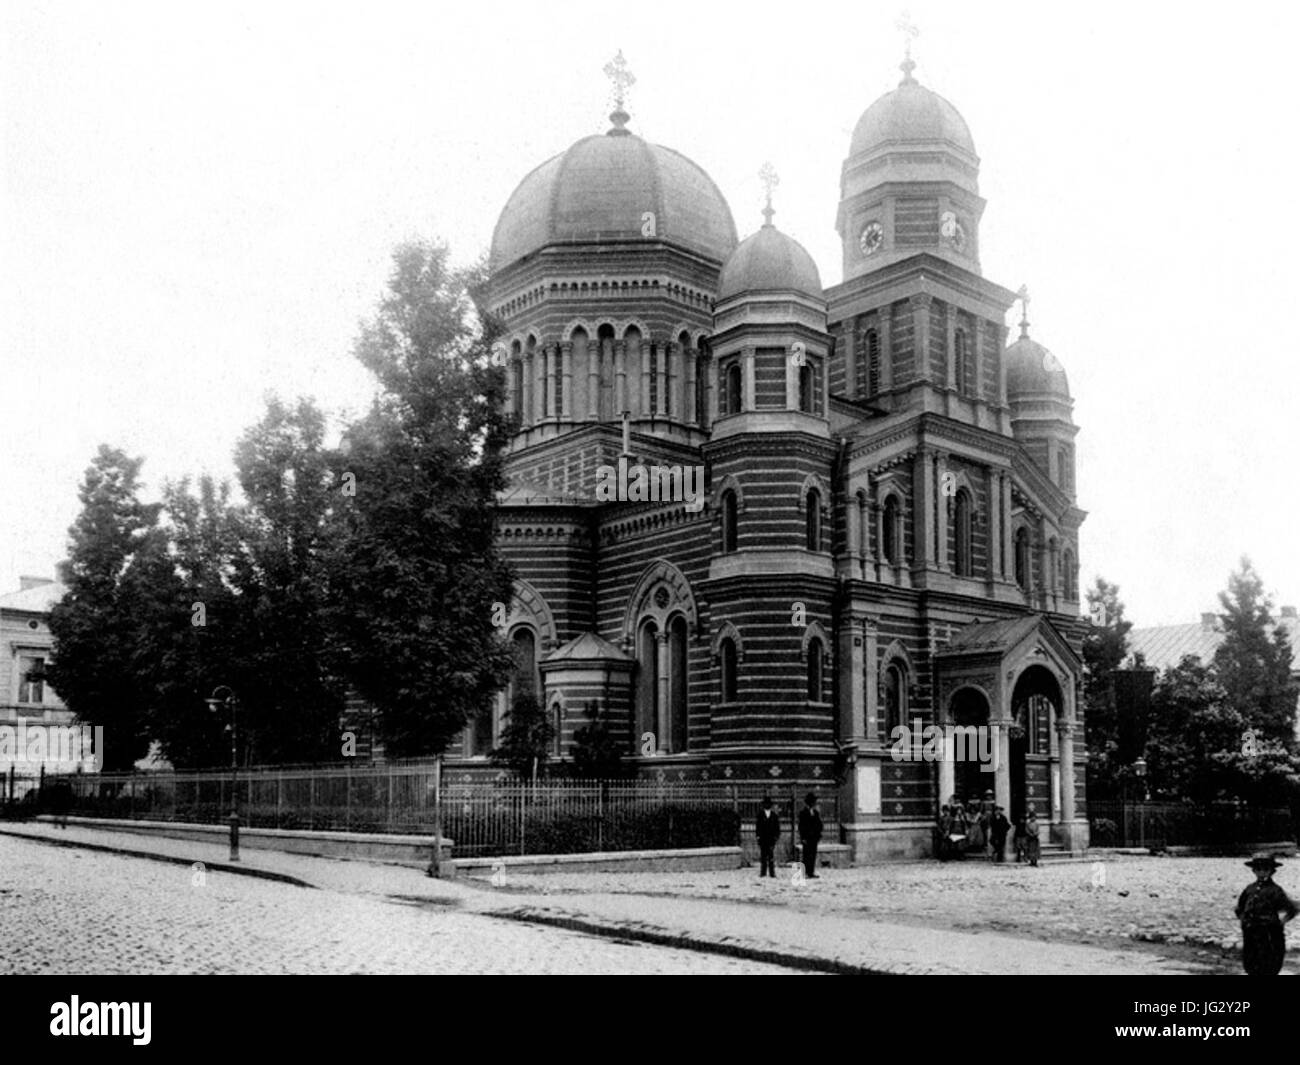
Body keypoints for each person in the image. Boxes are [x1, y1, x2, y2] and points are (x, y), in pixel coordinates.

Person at [1235, 854, 1296, 976]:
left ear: (1272, 871)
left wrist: (1280, 923)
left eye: (1265, 869)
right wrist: (1244, 921)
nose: (1261, 872)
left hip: (1269, 934)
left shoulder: (1276, 890)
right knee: (1250, 963)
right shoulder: (1249, 889)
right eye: (1258, 869)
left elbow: (1291, 910)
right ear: (1253, 870)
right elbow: (1239, 908)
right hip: (1251, 932)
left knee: (1268, 964)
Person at [797, 792, 823, 879]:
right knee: (806, 855)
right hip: (807, 838)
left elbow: (819, 824)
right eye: (812, 802)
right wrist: (803, 837)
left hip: (814, 838)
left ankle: (811, 872)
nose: (813, 804)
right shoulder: (803, 813)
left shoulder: (815, 812)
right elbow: (801, 826)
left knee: (813, 855)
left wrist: (819, 834)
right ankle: (805, 873)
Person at [756, 796, 781, 878]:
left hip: (771, 839)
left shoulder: (774, 815)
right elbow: (758, 827)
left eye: (768, 804)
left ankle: (772, 872)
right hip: (763, 838)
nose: (767, 805)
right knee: (763, 856)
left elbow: (777, 827)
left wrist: (776, 836)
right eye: (765, 804)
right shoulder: (760, 815)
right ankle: (763, 872)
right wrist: (758, 836)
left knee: (771, 856)